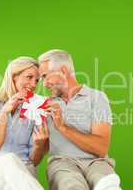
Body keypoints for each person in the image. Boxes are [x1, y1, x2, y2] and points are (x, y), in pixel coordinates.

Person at [38, 49, 122, 190]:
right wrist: (39, 142)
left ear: (63, 71)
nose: (44, 84)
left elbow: (100, 148)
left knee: (108, 185)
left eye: (46, 76)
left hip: (97, 162)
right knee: (71, 186)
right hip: (62, 164)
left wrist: (62, 127)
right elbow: (39, 150)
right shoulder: (44, 105)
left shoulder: (97, 98)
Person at [0, 56, 49, 190]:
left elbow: (34, 161)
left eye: (37, 80)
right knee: (10, 159)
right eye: (29, 77)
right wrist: (4, 112)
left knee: (15, 178)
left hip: (24, 171)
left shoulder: (35, 109)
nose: (33, 84)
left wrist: (39, 144)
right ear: (14, 76)